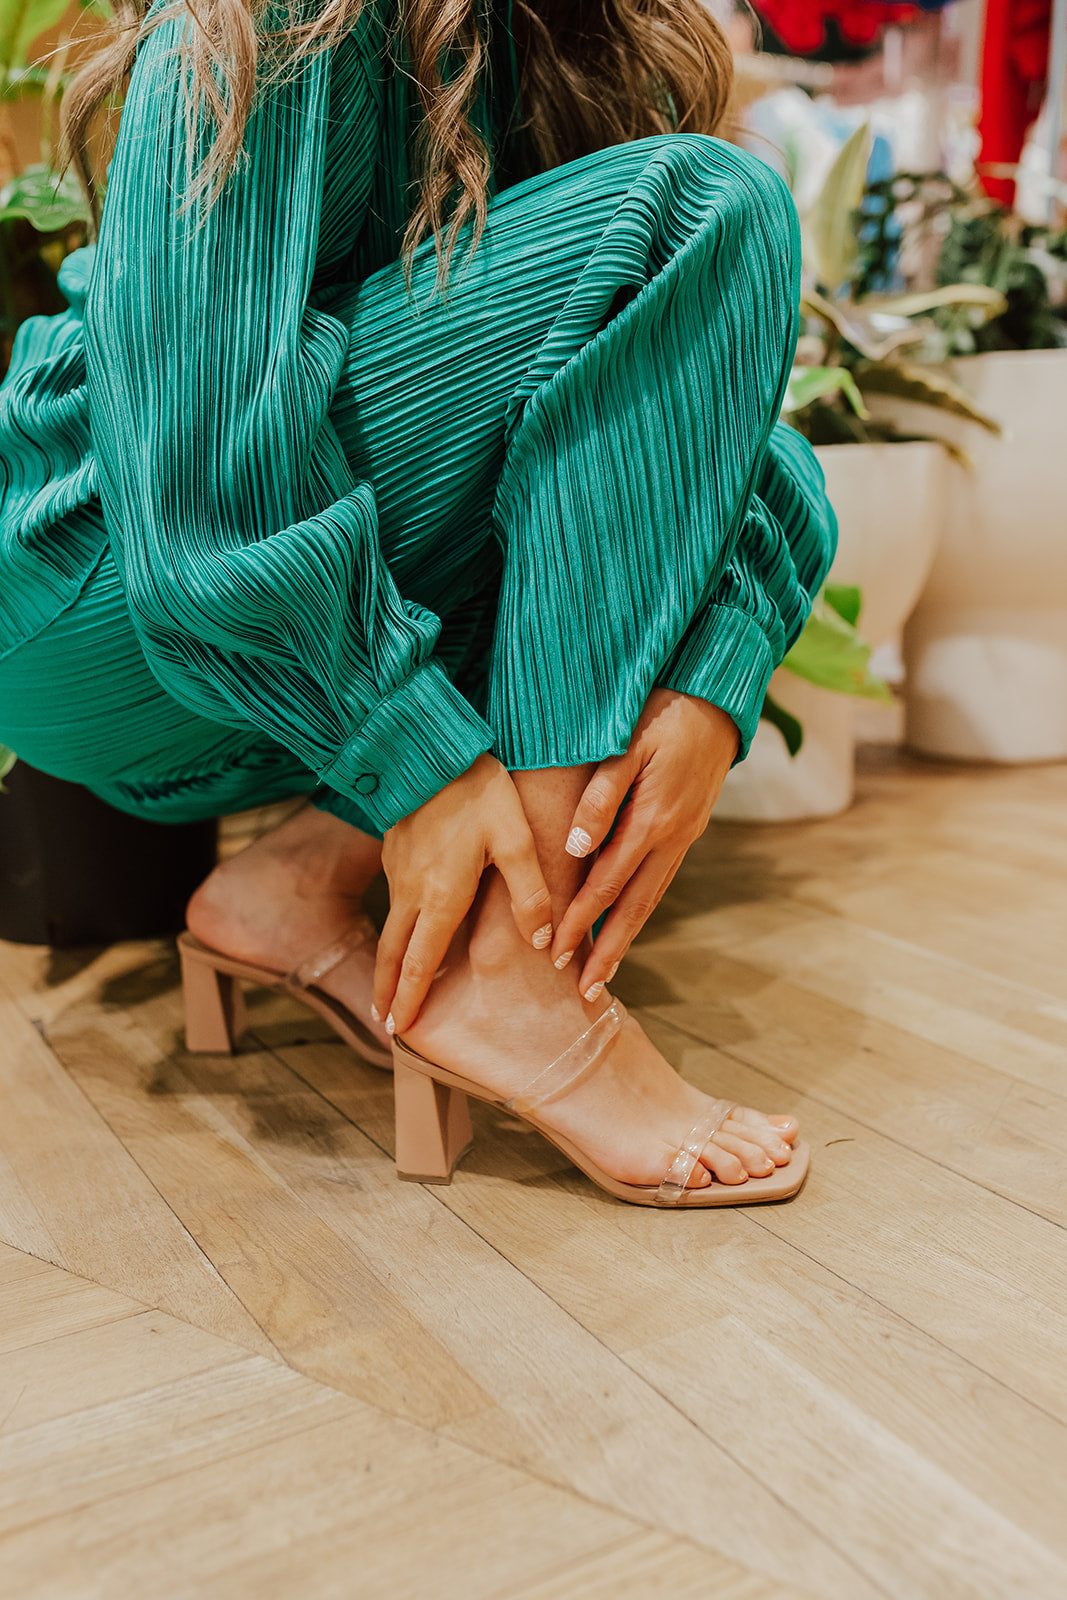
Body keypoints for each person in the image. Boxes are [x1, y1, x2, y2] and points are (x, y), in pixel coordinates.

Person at [0, 0, 836, 1205]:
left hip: (212, 618)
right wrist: (414, 756)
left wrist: (717, 665)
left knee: (743, 463)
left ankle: (292, 884)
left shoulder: (583, 37)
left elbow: (715, 451)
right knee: (694, 210)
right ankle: (514, 976)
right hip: (104, 565)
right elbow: (194, 471)